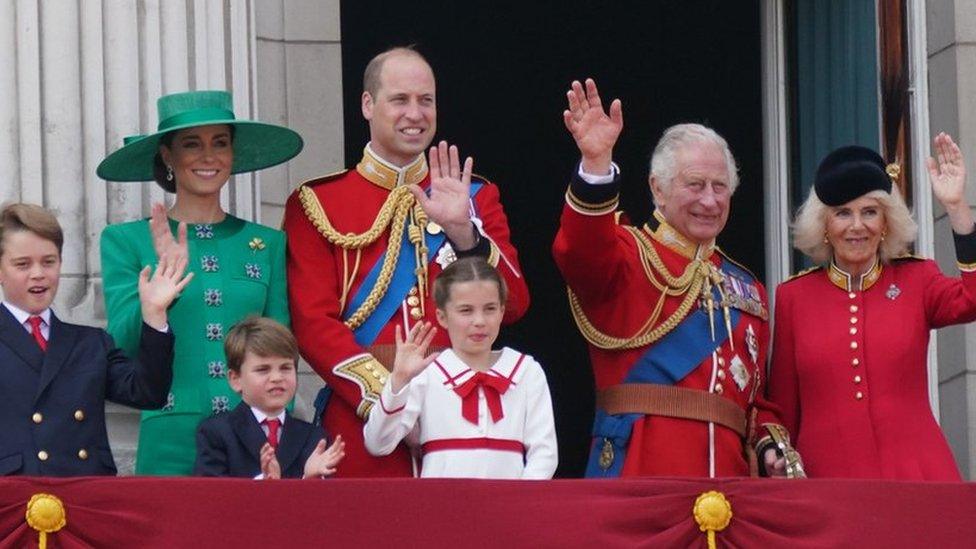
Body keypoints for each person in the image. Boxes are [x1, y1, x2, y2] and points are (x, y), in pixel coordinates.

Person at [283, 47, 530, 477]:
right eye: (400, 99)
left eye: (426, 100)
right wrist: (391, 401)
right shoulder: (317, 203)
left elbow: (515, 305)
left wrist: (464, 234)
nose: (415, 113)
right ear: (367, 104)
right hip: (364, 424)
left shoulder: (474, 197)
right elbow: (312, 326)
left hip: (467, 416)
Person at [553, 79, 799, 478]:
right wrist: (596, 166)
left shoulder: (747, 287)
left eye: (720, 187)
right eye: (695, 185)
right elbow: (579, 249)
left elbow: (754, 402)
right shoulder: (627, 256)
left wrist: (770, 441)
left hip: (729, 490)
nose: (710, 200)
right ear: (658, 189)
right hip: (640, 473)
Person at [97, 90, 303, 475]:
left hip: (253, 434)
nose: (209, 156)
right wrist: (160, 296)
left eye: (220, 143)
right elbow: (120, 346)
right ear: (167, 156)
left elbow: (283, 345)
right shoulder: (126, 240)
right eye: (192, 144)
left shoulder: (268, 243)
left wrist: (279, 422)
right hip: (170, 433)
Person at [768, 135, 976, 481]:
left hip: (918, 476)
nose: (856, 226)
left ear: (885, 224)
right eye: (842, 214)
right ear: (824, 226)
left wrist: (956, 208)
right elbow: (783, 408)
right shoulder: (794, 297)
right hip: (828, 483)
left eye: (869, 212)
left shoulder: (917, 279)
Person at [0, 203, 191, 476]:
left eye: (48, 261)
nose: (38, 274)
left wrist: (155, 314)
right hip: (12, 499)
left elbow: (148, 393)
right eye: (22, 264)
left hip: (85, 496)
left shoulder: (90, 343)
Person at [363, 257, 556, 478]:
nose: (479, 321)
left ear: (502, 312)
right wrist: (399, 381)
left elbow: (544, 453)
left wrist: (519, 504)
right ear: (442, 317)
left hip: (509, 507)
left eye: (490, 309)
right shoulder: (427, 373)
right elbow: (377, 443)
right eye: (466, 310)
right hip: (441, 507)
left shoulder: (527, 371)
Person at [194, 317, 345, 479]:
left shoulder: (315, 438)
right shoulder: (217, 433)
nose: (276, 377)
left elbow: (324, 502)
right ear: (235, 379)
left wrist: (307, 480)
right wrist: (263, 484)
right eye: (263, 369)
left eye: (285, 368)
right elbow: (210, 496)